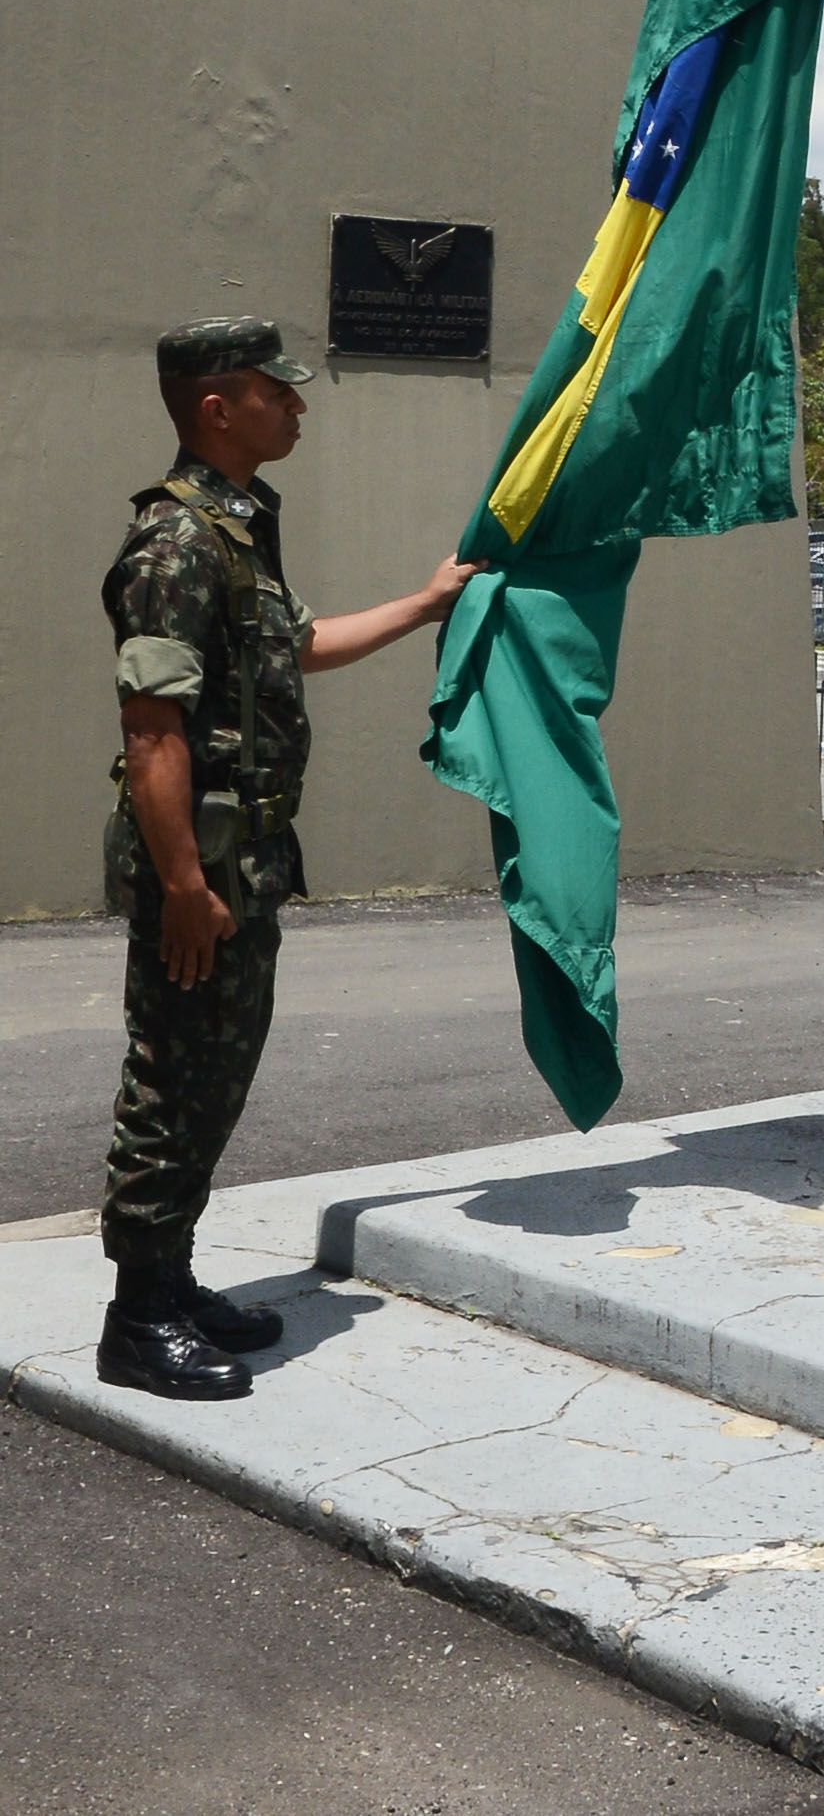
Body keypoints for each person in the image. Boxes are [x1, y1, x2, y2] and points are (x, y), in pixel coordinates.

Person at [97, 318, 479, 1401]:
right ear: (218, 406)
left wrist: (426, 600)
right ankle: (137, 1319)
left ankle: (170, 1282)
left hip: (243, 861)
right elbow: (153, 731)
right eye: (279, 390)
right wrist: (182, 885)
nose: (298, 406)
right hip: (200, 871)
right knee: (172, 1079)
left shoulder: (235, 529)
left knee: (215, 1074)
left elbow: (297, 644)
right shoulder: (175, 544)